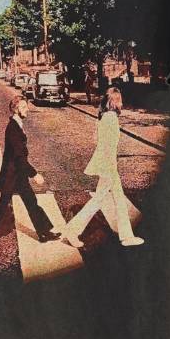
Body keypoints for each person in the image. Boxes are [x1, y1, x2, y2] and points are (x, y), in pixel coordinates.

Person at [63, 86, 144, 249]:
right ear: (114, 101)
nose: (122, 103)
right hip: (108, 166)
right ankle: (73, 231)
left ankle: (126, 236)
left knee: (115, 200)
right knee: (101, 200)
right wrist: (111, 167)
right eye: (120, 100)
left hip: (106, 164)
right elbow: (108, 146)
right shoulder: (111, 118)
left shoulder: (103, 117)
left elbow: (97, 140)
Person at [0, 92, 60, 246]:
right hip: (12, 175)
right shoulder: (13, 128)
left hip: (18, 174)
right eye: (23, 107)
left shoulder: (17, 125)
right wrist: (34, 174)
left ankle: (43, 232)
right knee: (3, 206)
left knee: (31, 201)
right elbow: (19, 157)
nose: (27, 109)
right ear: (15, 109)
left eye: (26, 106)